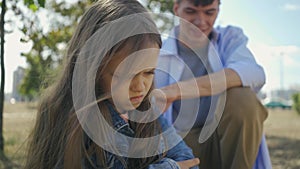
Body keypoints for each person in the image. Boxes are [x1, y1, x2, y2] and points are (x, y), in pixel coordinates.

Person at [24, 0, 200, 169]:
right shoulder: (77, 121)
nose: (140, 87)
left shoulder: (147, 111)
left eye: (149, 72)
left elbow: (189, 160)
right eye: (125, 75)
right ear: (92, 69)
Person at [154, 0, 271, 169]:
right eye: (191, 11)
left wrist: (174, 91)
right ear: (176, 9)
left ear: (218, 10)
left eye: (209, 12)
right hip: (177, 146)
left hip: (223, 143)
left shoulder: (229, 38)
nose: (200, 21)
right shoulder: (158, 51)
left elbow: (253, 72)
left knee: (242, 97)